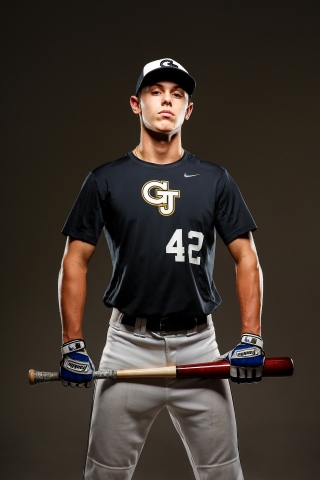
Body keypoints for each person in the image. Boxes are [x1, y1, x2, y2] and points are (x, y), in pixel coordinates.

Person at [58, 58, 264, 480]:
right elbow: (74, 260)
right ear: (136, 104)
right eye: (156, 92)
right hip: (128, 345)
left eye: (177, 94)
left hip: (199, 345)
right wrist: (71, 343)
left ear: (188, 110)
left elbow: (248, 258)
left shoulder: (214, 179)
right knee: (104, 474)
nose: (166, 101)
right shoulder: (105, 180)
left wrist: (251, 336)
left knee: (224, 472)